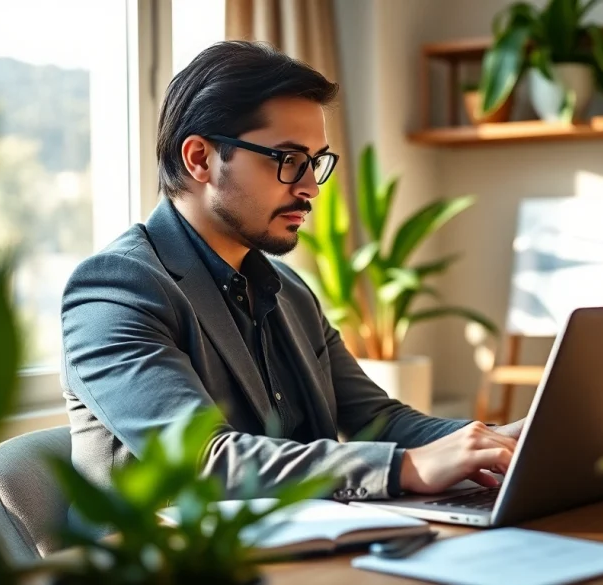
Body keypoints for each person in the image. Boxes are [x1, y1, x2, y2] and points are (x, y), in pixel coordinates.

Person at [60, 40, 524, 518]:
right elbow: (203, 461)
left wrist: (496, 442)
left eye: (315, 162)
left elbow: (377, 420)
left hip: (307, 546)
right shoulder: (115, 290)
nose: (308, 189)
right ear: (200, 159)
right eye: (287, 160)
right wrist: (402, 467)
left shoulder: (290, 291)